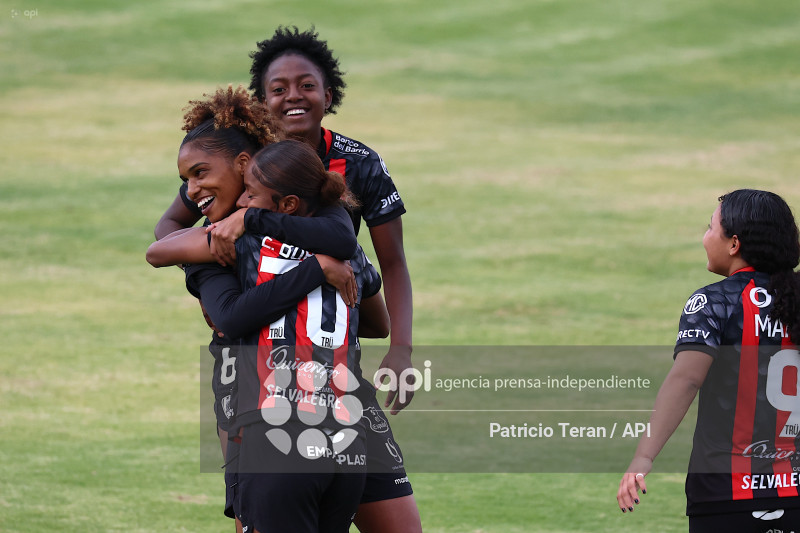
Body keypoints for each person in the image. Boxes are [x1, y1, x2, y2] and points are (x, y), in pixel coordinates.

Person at [154, 27, 422, 533]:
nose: (293, 97)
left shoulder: (356, 165)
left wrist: (400, 347)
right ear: (261, 101)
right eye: (278, 89)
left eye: (306, 85)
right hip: (254, 383)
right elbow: (164, 236)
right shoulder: (231, 165)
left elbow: (386, 270)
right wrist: (211, 255)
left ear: (329, 94)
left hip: (336, 375)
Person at [147, 86, 364, 527]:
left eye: (199, 174)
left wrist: (243, 224)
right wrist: (318, 271)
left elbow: (167, 259)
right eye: (185, 180)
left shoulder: (224, 242)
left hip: (268, 422)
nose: (191, 191)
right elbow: (373, 314)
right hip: (341, 423)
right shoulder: (328, 235)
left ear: (245, 167)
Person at [617, 189, 800, 532]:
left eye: (710, 227)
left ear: (734, 244)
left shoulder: (715, 303)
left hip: (725, 495)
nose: (705, 237)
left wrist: (643, 456)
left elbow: (686, 380)